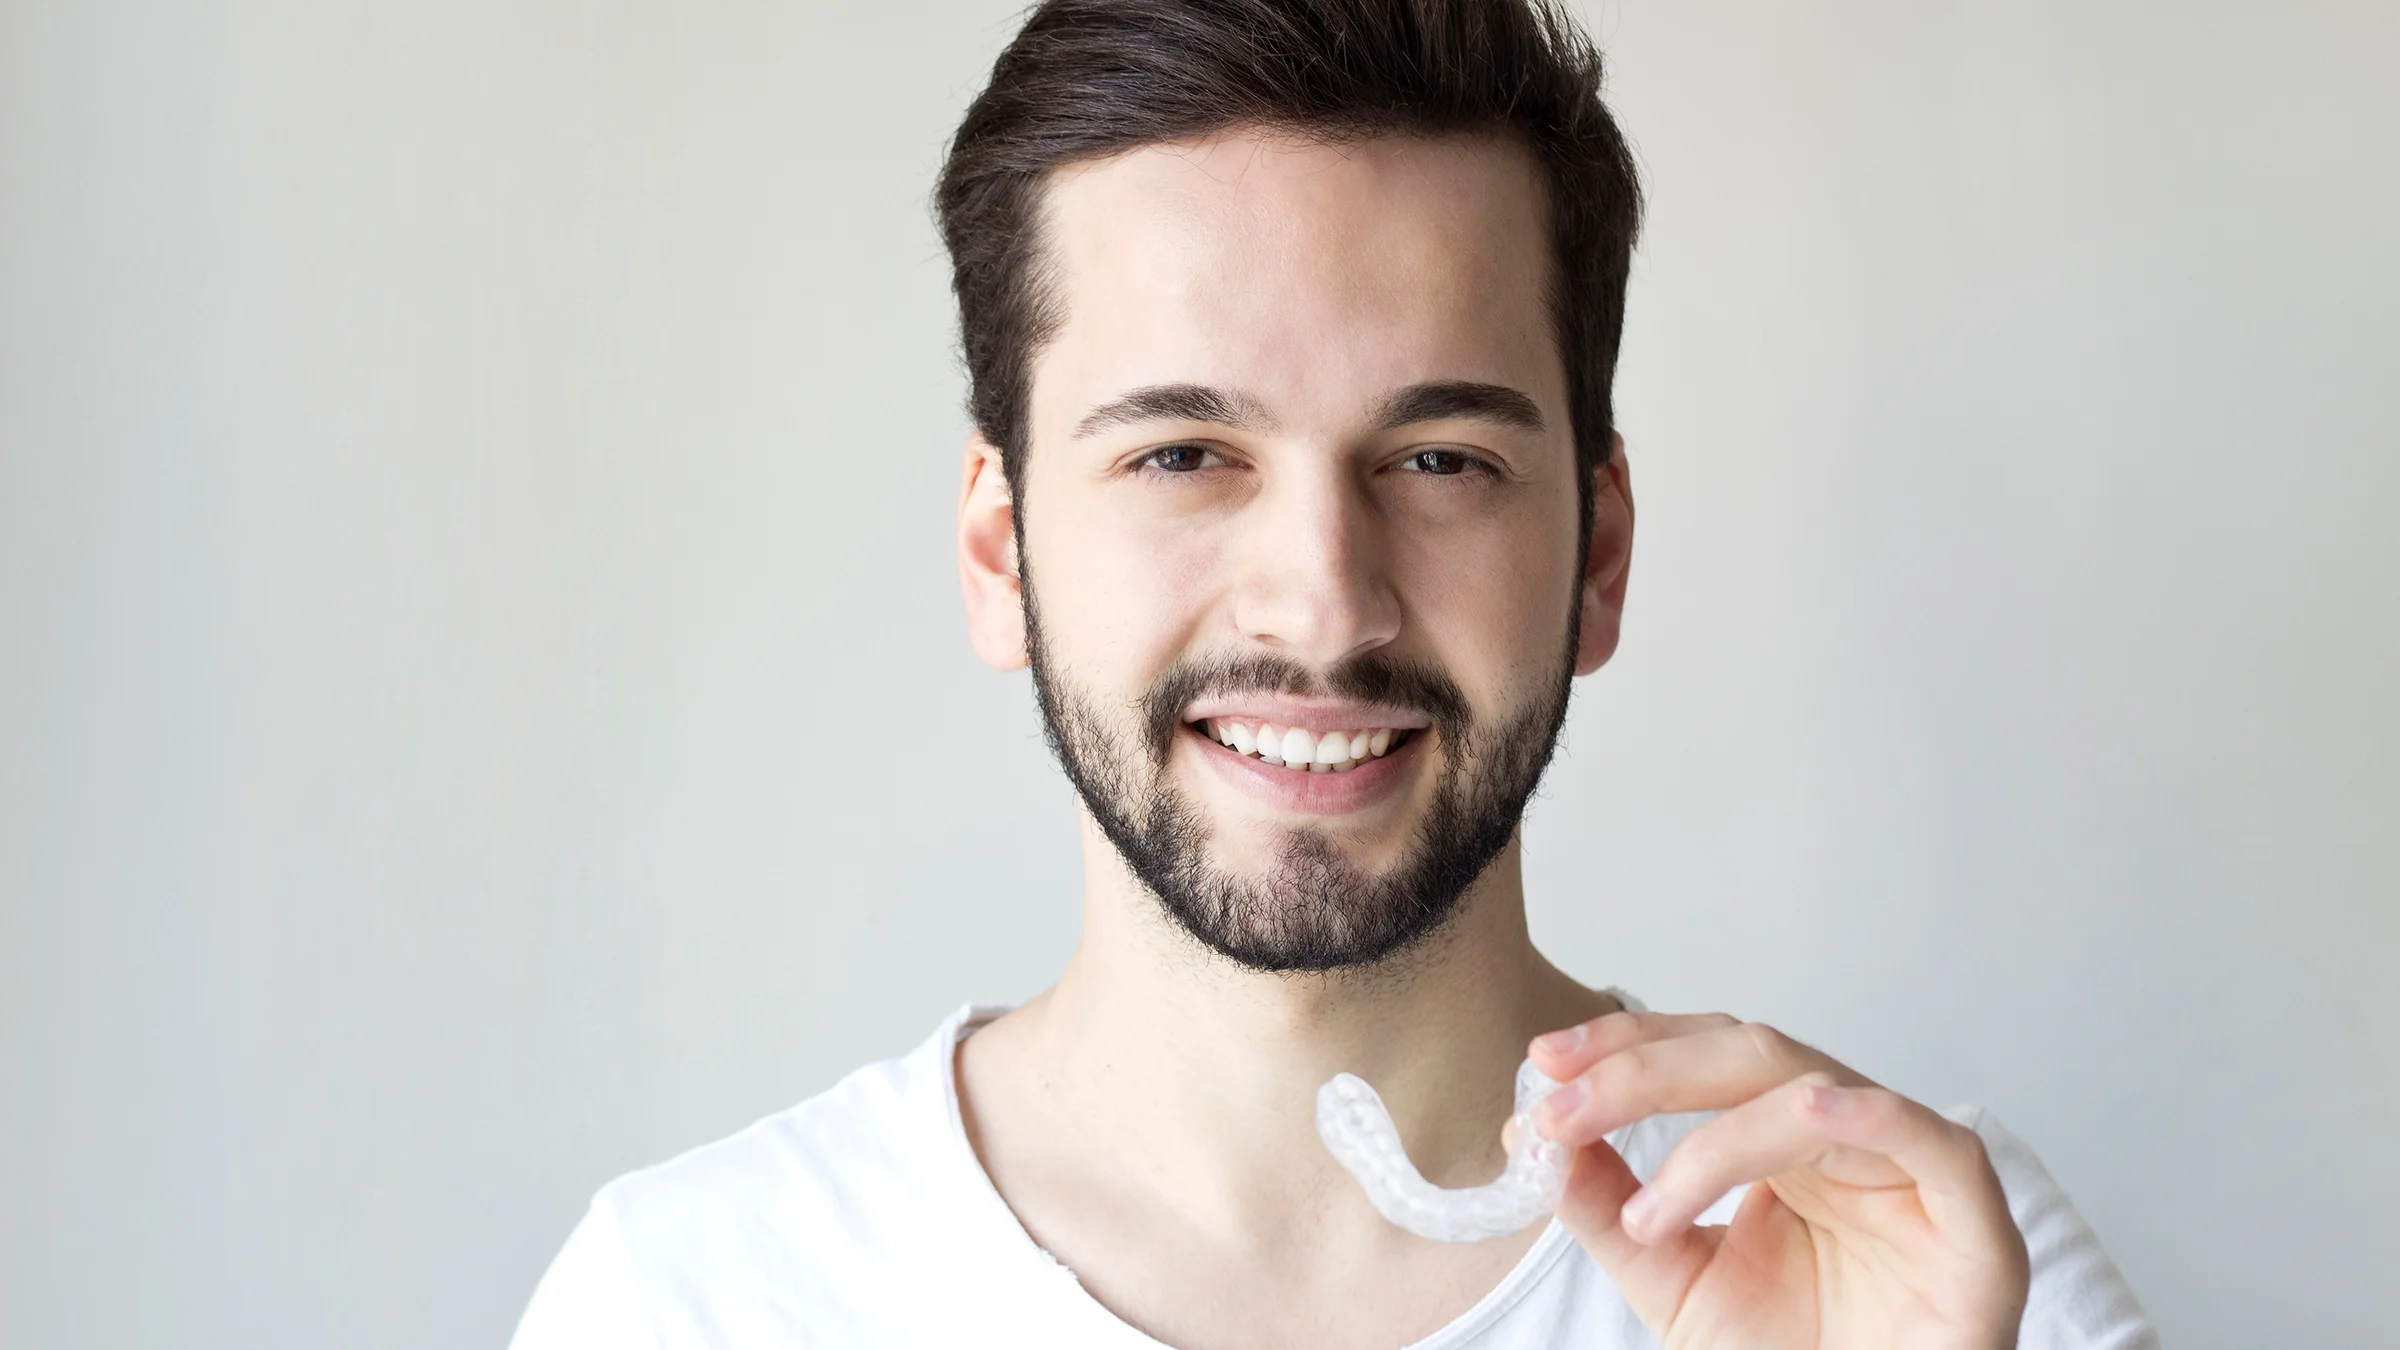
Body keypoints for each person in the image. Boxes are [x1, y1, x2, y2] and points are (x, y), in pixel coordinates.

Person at [510, 2, 2158, 1345]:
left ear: (1596, 552)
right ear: (1000, 551)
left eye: (1439, 459)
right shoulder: (687, 1299)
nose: (1323, 603)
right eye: (1181, 453)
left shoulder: (1922, 1263)